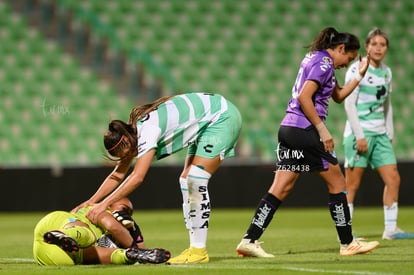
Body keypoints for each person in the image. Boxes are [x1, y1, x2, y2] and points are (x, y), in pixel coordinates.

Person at [236, 27, 380, 258]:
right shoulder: (324, 65)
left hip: (289, 129)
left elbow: (339, 96)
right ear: (341, 48)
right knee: (337, 182)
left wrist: (359, 75)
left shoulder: (319, 61)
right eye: (349, 58)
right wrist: (323, 130)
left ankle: (249, 239)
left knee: (281, 187)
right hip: (304, 130)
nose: (347, 63)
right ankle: (347, 242)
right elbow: (304, 96)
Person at [72, 92, 242, 264]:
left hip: (221, 116)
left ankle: (198, 250)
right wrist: (91, 201)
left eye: (129, 153)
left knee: (195, 179)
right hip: (207, 122)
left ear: (127, 141)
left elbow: (137, 177)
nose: (131, 156)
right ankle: (194, 248)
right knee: (186, 181)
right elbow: (118, 174)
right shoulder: (133, 134)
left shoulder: (147, 131)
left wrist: (104, 205)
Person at [343, 28, 414, 240]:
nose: (378, 48)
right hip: (359, 134)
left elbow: (388, 105)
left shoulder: (387, 72)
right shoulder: (356, 69)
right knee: (351, 186)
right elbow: (349, 104)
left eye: (382, 45)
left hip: (380, 134)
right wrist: (360, 135)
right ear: (367, 47)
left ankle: (390, 230)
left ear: (387, 48)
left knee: (393, 179)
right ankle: (344, 233)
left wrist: (389, 132)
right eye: (374, 44)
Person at [34, 198, 170, 265]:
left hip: (54, 256)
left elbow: (142, 255)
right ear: (111, 204)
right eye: (124, 208)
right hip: (55, 225)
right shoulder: (100, 209)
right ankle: (64, 235)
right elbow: (113, 227)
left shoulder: (120, 231)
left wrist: (134, 230)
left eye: (129, 213)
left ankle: (126, 255)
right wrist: (131, 237)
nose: (126, 213)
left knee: (108, 255)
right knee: (89, 235)